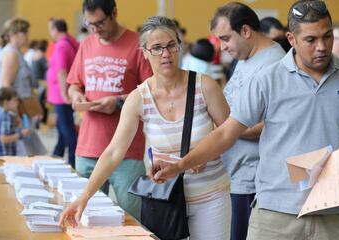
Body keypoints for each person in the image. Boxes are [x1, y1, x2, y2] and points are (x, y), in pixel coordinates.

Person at [154, 1, 339, 239]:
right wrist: (180, 165)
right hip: (276, 213)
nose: (321, 47)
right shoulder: (269, 79)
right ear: (291, 39)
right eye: (311, 40)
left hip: (334, 213)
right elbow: (226, 133)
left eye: (327, 36)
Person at [60, 16, 231, 240]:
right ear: (145, 53)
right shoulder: (138, 98)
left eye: (171, 45)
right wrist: (84, 196)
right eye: (157, 48)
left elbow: (228, 132)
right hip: (164, 200)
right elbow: (113, 152)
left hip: (210, 196)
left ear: (180, 45)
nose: (166, 54)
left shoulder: (205, 86)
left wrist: (205, 155)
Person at [64, 0, 152, 220]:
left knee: (131, 219)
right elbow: (74, 83)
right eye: (89, 24)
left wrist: (119, 102)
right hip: (88, 147)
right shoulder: (86, 44)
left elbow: (151, 91)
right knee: (85, 217)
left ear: (114, 13)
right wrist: (76, 95)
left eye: (100, 23)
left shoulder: (137, 45)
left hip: (127, 152)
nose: (95, 29)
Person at [209, 3, 286, 240]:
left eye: (226, 38)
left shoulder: (274, 64)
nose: (223, 47)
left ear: (245, 31)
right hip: (233, 173)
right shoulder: (245, 57)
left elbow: (274, 122)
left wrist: (228, 125)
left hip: (251, 179)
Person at [0, 18, 46, 156]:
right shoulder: (11, 54)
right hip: (16, 110)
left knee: (29, 149)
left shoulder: (17, 53)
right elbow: (6, 86)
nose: (28, 37)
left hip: (22, 108)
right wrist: (13, 113)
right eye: (26, 33)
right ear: (16, 34)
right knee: (22, 152)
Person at [47, 18, 79, 167]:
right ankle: (56, 156)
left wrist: (64, 93)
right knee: (62, 129)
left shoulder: (61, 46)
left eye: (50, 29)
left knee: (67, 130)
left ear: (55, 29)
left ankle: (73, 161)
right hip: (62, 94)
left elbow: (61, 71)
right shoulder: (69, 43)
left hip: (61, 96)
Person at [0, 87, 31, 156]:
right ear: (6, 103)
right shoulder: (5, 117)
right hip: (4, 157)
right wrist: (21, 134)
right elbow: (3, 139)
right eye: (15, 100)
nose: (18, 103)